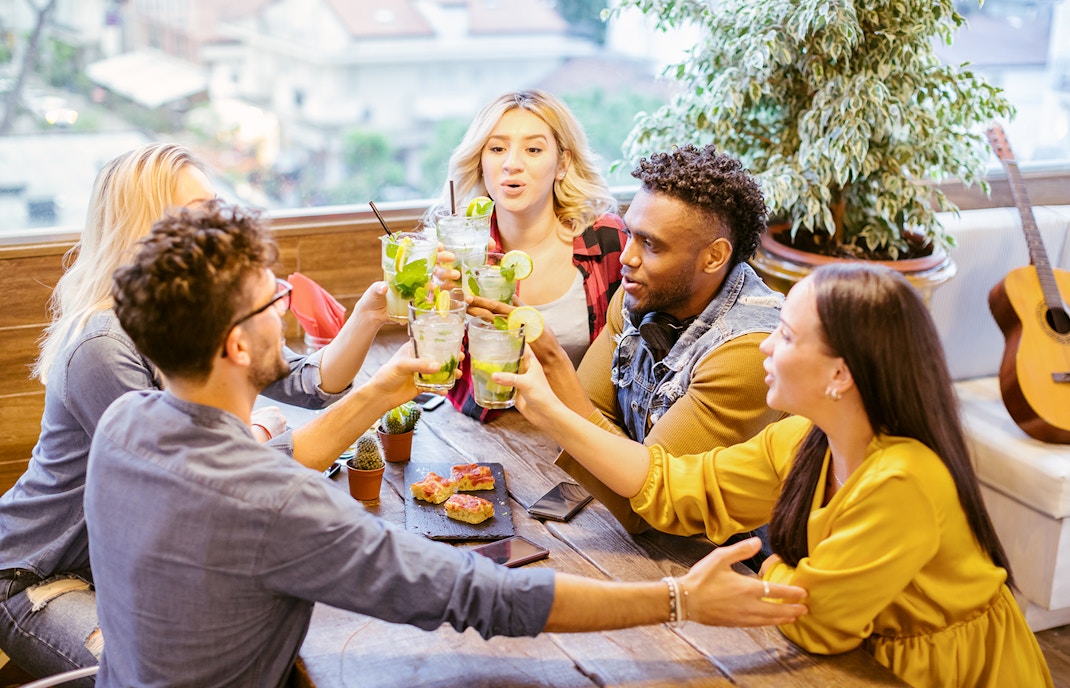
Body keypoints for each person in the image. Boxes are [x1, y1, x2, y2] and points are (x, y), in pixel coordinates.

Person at [83, 200, 807, 687]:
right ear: (238, 345)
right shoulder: (274, 507)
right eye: (276, 300)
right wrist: (681, 597)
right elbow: (482, 594)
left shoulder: (128, 425)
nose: (289, 308)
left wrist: (382, 390)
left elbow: (260, 469)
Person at [503, 262, 1054, 687]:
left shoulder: (903, 479)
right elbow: (674, 486)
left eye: (786, 336)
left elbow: (816, 622)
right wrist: (550, 409)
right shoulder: (802, 440)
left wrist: (773, 566)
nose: (765, 344)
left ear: (840, 373)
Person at [0, 143, 390, 681]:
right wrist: (258, 432)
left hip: (132, 568)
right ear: (142, 229)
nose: (215, 227)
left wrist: (370, 313)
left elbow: (304, 385)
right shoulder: (101, 345)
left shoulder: (199, 312)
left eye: (215, 207)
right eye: (194, 214)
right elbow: (191, 482)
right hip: (42, 575)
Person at [471, 144, 785, 539]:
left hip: (736, 561)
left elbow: (652, 510)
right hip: (632, 532)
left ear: (713, 257)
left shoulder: (749, 353)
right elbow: (595, 414)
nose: (627, 257)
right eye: (630, 234)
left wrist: (552, 363)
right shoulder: (644, 291)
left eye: (650, 245)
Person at [425, 89, 626, 419]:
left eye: (533, 149)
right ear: (479, 163)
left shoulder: (607, 240)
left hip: (590, 429)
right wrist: (445, 312)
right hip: (494, 432)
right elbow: (440, 378)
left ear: (563, 163)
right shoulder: (458, 252)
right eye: (497, 148)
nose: (512, 164)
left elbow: (635, 365)